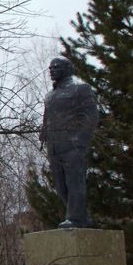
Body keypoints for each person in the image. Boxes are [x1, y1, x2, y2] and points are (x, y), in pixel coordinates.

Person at [40, 57, 99, 228]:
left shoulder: (80, 89)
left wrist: (80, 139)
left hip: (72, 144)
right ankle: (81, 217)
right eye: (50, 68)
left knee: (75, 182)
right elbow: (48, 117)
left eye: (56, 67)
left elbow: (92, 115)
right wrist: (44, 133)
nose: (52, 70)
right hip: (54, 145)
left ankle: (75, 218)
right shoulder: (49, 95)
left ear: (67, 69)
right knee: (60, 186)